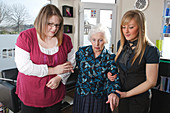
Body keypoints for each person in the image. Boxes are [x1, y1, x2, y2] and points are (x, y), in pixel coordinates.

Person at [15, 4, 75, 113]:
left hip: (55, 94)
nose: (54, 29)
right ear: (41, 22)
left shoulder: (66, 39)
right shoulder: (26, 37)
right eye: (50, 24)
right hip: (31, 95)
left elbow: (71, 62)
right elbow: (24, 67)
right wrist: (54, 70)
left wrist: (60, 77)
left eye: (57, 25)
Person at [108, 10, 160, 113]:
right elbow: (120, 69)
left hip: (139, 99)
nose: (126, 31)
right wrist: (112, 75)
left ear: (140, 28)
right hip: (122, 95)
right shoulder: (121, 44)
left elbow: (151, 81)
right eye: (123, 27)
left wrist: (127, 94)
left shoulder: (151, 50)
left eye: (131, 27)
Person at [72, 24, 120, 113]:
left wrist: (113, 92)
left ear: (105, 41)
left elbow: (114, 79)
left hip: (99, 97)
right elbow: (72, 64)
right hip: (82, 95)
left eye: (100, 40)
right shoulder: (82, 52)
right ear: (90, 39)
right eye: (94, 40)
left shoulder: (110, 57)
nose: (97, 44)